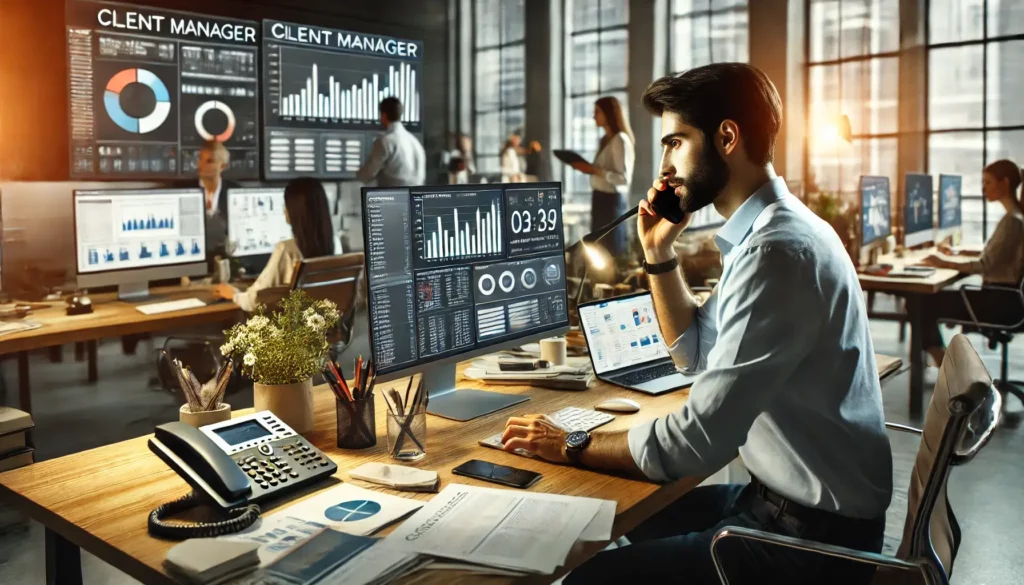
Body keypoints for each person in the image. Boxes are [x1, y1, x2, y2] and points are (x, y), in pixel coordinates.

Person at [501, 64, 893, 584]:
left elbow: (699, 441)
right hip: (780, 503)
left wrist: (572, 442)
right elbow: (694, 355)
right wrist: (659, 253)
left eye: (675, 143)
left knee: (589, 576)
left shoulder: (777, 252)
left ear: (726, 137)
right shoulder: (770, 232)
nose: (664, 166)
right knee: (622, 522)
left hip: (811, 545)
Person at [918, 159, 1024, 366]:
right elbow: (994, 254)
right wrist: (958, 253)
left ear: (1005, 182)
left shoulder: (1012, 221)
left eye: (988, 182)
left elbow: (985, 264)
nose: (983, 188)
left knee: (922, 302)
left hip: (999, 304)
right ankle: (944, 360)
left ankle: (945, 364)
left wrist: (945, 262)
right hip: (1008, 301)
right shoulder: (1017, 217)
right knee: (933, 300)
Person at [212, 178, 340, 312]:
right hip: (324, 328)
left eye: (287, 205)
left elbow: (256, 300)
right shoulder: (335, 244)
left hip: (293, 330)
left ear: (294, 211)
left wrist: (234, 294)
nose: (284, 210)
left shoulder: (287, 249)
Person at [569, 96, 635, 257]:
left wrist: (594, 170)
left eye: (597, 112)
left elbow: (624, 178)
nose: (593, 116)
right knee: (599, 249)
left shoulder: (620, 140)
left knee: (610, 250)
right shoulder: (605, 140)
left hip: (611, 202)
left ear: (609, 114)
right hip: (599, 199)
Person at [357, 97, 425, 186]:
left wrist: (357, 173)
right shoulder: (415, 142)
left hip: (393, 197)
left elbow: (366, 175)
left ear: (383, 115)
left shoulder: (385, 141)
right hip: (416, 197)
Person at [192, 140, 239, 259]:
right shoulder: (184, 190)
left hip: (227, 259)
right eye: (200, 159)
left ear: (223, 166)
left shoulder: (235, 193)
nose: (201, 164)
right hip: (195, 258)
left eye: (209, 161)